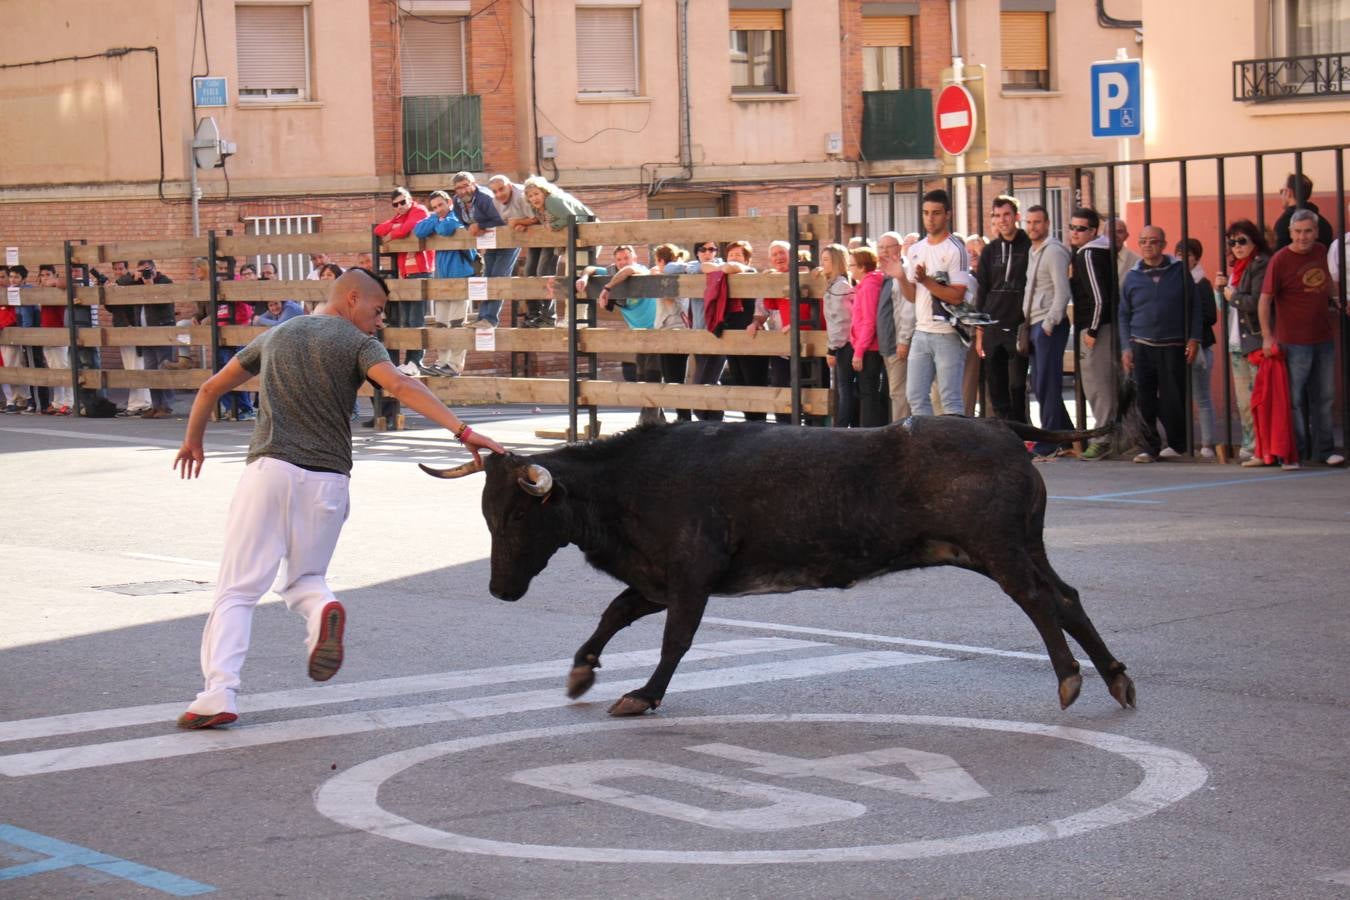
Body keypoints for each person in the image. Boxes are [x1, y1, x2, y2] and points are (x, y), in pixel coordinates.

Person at [172, 268, 505, 730]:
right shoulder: (358, 344)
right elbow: (402, 386)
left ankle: (218, 692)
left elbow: (211, 388)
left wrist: (194, 442)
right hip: (329, 480)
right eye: (377, 309)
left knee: (238, 589)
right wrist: (464, 431)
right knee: (307, 579)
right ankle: (320, 611)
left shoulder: (276, 336)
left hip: (269, 471)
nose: (379, 320)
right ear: (352, 298)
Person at [1257, 209, 1345, 468]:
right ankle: (1294, 452)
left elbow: (1327, 280)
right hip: (1292, 342)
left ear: (1316, 232)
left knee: (1325, 397)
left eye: (1308, 231)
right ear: (1290, 233)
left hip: (1323, 338)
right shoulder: (1280, 260)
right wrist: (1266, 337)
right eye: (1298, 232)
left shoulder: (1320, 251)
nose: (1303, 237)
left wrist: (1337, 300)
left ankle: (1325, 450)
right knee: (1293, 400)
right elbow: (1265, 300)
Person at [1120, 226, 1204, 463]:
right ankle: (1149, 446)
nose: (1148, 245)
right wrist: (1126, 347)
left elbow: (1194, 306)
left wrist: (1194, 338)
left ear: (1164, 244)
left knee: (1173, 399)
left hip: (1172, 345)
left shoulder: (1179, 271)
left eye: (1154, 241)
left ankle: (1177, 444)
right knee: (1144, 399)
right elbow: (1124, 314)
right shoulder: (1133, 276)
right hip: (1141, 344)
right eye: (1143, 241)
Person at [898, 189, 973, 416]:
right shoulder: (916, 249)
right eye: (926, 213)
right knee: (915, 396)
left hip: (947, 333)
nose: (930, 218)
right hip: (921, 331)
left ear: (947, 214)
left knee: (950, 399)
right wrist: (900, 276)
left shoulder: (955, 249)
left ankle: (955, 449)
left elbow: (957, 296)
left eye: (936, 213)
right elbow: (912, 296)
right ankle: (927, 446)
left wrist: (927, 281)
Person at [578, 245, 661, 424]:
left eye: (626, 258)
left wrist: (607, 288)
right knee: (641, 376)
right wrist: (584, 277)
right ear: (615, 262)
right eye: (619, 260)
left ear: (635, 259)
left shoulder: (640, 270)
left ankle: (649, 420)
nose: (623, 262)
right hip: (638, 334)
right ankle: (655, 418)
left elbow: (630, 270)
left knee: (652, 374)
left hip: (657, 331)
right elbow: (591, 268)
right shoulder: (611, 272)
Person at [1069, 207, 1121, 460]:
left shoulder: (1088, 254)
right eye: (1072, 227)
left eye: (1081, 228)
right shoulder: (1099, 251)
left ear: (1093, 231)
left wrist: (1092, 329)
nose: (1075, 233)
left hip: (1095, 328)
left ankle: (1103, 438)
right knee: (1103, 383)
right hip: (1101, 326)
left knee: (1098, 385)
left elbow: (1099, 297)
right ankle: (1108, 435)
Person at [1217, 220, 1271, 464]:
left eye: (1242, 241)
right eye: (1232, 242)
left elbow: (1255, 302)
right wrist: (1221, 290)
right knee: (1243, 402)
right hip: (1236, 342)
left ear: (1254, 242)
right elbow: (1224, 307)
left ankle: (1262, 446)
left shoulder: (1260, 265)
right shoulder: (1236, 270)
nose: (1237, 246)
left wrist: (1232, 295)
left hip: (1255, 341)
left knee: (1259, 398)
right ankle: (1251, 444)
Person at [1021, 206, 1074, 457]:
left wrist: (1049, 323)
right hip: (1034, 324)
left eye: (1038, 222)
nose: (1033, 227)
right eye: (1029, 222)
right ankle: (1065, 435)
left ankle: (1049, 440)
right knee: (1039, 383)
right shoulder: (1034, 251)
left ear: (1048, 223)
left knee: (1047, 383)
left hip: (1048, 325)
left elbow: (1062, 291)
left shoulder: (1053, 251)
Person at [974, 196, 1031, 423]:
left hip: (1018, 325)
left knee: (1017, 385)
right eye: (997, 216)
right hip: (992, 327)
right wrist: (980, 332)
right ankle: (1004, 433)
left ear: (1016, 216)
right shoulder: (990, 250)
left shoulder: (1028, 246)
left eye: (1006, 215)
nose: (1002, 220)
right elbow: (982, 290)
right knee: (996, 386)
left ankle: (1022, 432)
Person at [413, 189, 476, 375]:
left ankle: (454, 365)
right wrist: (435, 218)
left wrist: (438, 221)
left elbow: (446, 229)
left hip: (459, 277)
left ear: (449, 202)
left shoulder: (458, 217)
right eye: (434, 207)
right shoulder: (438, 218)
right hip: (441, 279)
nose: (438, 209)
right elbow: (419, 230)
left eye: (441, 205)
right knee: (441, 324)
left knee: (456, 323)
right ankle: (442, 362)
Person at [521, 176, 596, 326]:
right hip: (573, 239)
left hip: (587, 234)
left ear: (544, 192)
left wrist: (554, 226)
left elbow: (574, 217)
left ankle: (576, 321)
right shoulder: (538, 209)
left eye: (536, 193)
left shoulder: (551, 201)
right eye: (530, 196)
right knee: (571, 276)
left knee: (577, 276)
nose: (534, 198)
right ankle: (570, 319)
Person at [374, 187, 433, 374]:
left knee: (415, 319)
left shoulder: (419, 210)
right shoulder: (399, 217)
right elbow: (378, 229)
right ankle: (407, 363)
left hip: (421, 271)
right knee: (406, 320)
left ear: (410, 199)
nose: (400, 206)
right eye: (396, 204)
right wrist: (395, 227)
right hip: (406, 274)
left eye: (403, 202)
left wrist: (393, 233)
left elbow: (411, 226)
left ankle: (415, 362)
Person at [1176, 238, 1219, 458]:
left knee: (1202, 396)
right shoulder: (1173, 282)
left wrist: (1191, 323)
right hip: (1176, 347)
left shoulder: (1201, 283)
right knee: (1179, 397)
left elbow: (1211, 315)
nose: (1183, 259)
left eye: (1188, 255)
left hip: (1200, 346)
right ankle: (1184, 442)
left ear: (1196, 258)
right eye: (1179, 254)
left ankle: (1206, 443)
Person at [129, 260, 178, 419]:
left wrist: (150, 285)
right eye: (141, 271)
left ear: (155, 269)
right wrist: (133, 277)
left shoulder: (165, 282)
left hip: (162, 329)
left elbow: (163, 304)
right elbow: (120, 283)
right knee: (150, 369)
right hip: (145, 333)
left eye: (147, 270)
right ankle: (155, 405)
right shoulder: (137, 284)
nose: (145, 274)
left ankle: (166, 406)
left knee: (164, 366)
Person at [874, 231, 914, 423]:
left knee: (900, 393)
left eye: (888, 247)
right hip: (887, 344)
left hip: (898, 343)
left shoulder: (902, 273)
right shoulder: (885, 274)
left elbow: (907, 308)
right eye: (880, 247)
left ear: (899, 249)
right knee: (895, 392)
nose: (883, 251)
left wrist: (903, 340)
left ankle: (903, 432)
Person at [650, 243, 692, 422]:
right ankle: (682, 418)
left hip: (674, 329)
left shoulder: (670, 278)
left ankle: (684, 418)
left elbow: (671, 304)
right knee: (672, 377)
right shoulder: (670, 275)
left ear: (660, 260)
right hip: (669, 329)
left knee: (675, 378)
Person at [483, 174, 533, 326]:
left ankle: (490, 319)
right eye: (495, 191)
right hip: (498, 236)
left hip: (514, 238)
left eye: (501, 189)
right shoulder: (493, 200)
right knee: (487, 277)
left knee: (499, 277)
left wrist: (521, 222)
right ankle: (482, 317)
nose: (499, 194)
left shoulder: (521, 196)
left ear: (510, 186)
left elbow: (536, 217)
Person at [848, 246, 888, 427]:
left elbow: (869, 321)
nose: (850, 269)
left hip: (869, 347)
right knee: (868, 391)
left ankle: (869, 431)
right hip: (868, 345)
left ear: (863, 267)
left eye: (852, 265)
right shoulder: (867, 284)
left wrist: (859, 351)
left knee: (868, 392)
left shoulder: (869, 286)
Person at [818, 243, 856, 427]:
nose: (822, 263)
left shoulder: (840, 287)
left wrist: (832, 349)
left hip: (844, 345)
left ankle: (840, 426)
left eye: (826, 260)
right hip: (844, 343)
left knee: (844, 389)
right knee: (844, 388)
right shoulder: (837, 284)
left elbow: (841, 321)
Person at [36, 265, 74, 415]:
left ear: (54, 275)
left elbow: (66, 283)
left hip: (59, 332)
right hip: (46, 332)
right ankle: (57, 402)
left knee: (63, 367)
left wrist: (53, 282)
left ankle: (69, 401)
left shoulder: (59, 287)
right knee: (53, 370)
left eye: (48, 274)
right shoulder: (41, 292)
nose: (45, 277)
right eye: (42, 275)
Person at [1273, 173, 1334, 251]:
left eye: (1282, 191)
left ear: (1289, 193)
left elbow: (1277, 255)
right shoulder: (1324, 223)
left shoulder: (1283, 223)